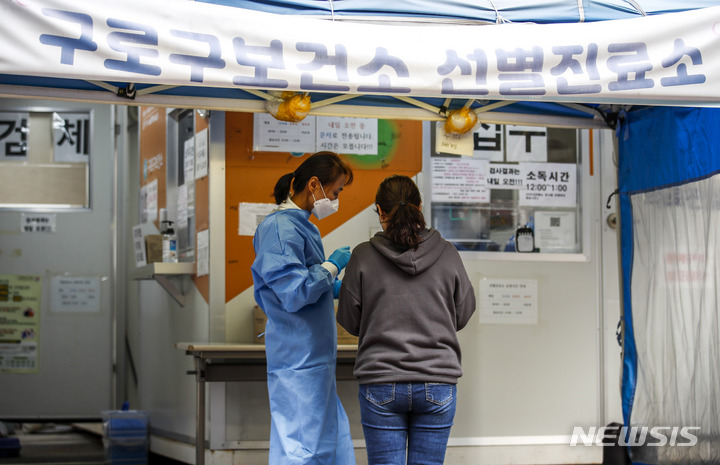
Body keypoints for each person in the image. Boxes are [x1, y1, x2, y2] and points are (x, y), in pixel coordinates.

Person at [337, 175, 476, 465]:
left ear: (380, 210)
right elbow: (462, 314)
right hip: (437, 380)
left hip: (381, 381)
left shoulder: (362, 256)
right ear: (420, 206)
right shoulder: (447, 253)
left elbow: (349, 320)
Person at [251, 151, 356, 465]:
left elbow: (306, 280)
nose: (336, 199)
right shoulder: (280, 229)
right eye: (335, 192)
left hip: (312, 355)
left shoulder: (301, 226)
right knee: (303, 444)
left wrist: (337, 288)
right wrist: (332, 267)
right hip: (298, 356)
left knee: (326, 438)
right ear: (314, 184)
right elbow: (294, 292)